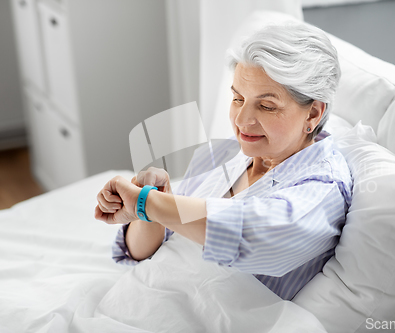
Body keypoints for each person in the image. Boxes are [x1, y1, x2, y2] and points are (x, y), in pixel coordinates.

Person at [95, 21, 352, 301]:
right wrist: (152, 202)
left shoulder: (322, 187)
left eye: (267, 106)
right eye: (238, 98)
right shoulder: (223, 154)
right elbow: (143, 253)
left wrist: (149, 203)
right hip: (140, 299)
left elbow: (253, 237)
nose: (241, 121)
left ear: (313, 114)